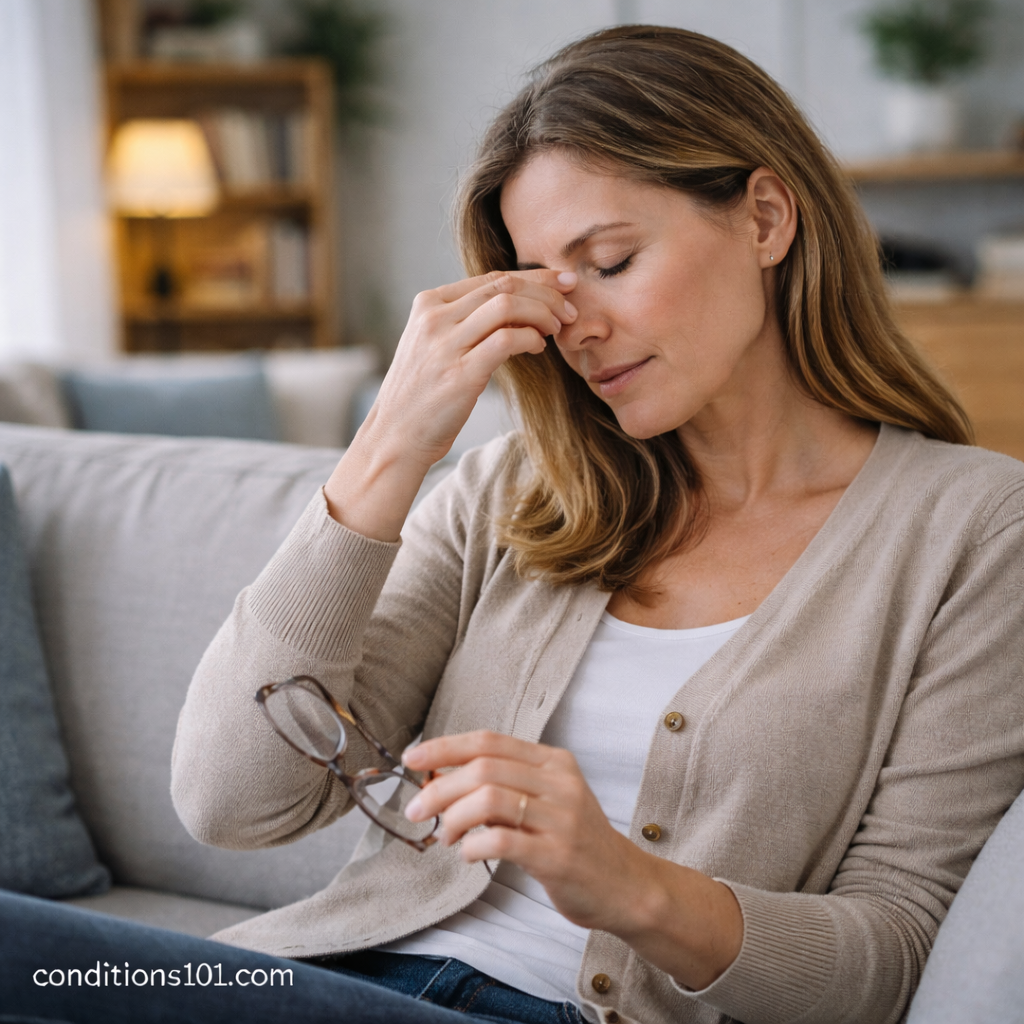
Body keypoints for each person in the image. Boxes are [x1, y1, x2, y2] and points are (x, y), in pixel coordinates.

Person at [3, 24, 1022, 1024]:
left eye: (611, 261)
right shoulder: (514, 493)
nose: (579, 327)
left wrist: (628, 886)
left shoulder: (972, 534)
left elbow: (893, 960)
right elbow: (233, 799)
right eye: (548, 287)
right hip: (331, 977)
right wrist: (388, 444)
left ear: (764, 218)